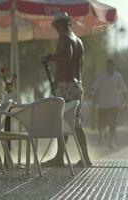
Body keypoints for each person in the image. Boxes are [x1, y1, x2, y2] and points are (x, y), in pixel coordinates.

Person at [42, 12, 92, 167]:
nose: (56, 29)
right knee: (74, 122)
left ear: (61, 24)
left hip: (66, 86)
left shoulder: (64, 38)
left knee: (61, 121)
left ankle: (59, 157)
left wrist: (49, 57)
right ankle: (85, 158)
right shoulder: (79, 41)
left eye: (56, 26)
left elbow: (66, 57)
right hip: (77, 86)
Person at [92, 59, 128, 149]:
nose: (110, 67)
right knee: (101, 122)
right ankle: (101, 135)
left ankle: (111, 140)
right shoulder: (101, 76)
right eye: (108, 65)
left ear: (114, 66)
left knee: (113, 122)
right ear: (106, 66)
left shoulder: (118, 77)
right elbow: (94, 88)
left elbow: (124, 90)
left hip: (114, 104)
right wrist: (93, 97)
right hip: (102, 103)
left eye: (112, 65)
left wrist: (127, 103)